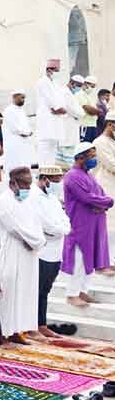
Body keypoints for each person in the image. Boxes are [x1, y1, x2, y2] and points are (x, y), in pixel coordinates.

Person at [0, 167, 45, 343]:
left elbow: (38, 223)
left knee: (25, 292)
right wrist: (32, 240)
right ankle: (2, 333)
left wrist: (37, 241)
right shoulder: (2, 200)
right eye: (24, 184)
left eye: (29, 184)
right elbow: (14, 227)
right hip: (11, 251)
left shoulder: (29, 201)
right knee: (8, 291)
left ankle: (18, 331)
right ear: (12, 183)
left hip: (29, 252)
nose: (27, 188)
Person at [62, 143, 115, 307]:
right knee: (79, 258)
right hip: (80, 223)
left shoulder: (89, 175)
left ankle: (83, 291)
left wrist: (104, 202)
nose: (94, 159)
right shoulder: (72, 176)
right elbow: (87, 197)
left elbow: (100, 194)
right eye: (91, 156)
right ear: (80, 158)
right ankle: (72, 294)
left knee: (89, 258)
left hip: (94, 222)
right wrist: (108, 201)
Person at [30, 165, 70, 339]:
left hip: (55, 250)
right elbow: (45, 224)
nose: (58, 184)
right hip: (41, 251)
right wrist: (59, 229)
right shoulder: (33, 197)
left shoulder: (52, 198)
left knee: (45, 289)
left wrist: (62, 229)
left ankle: (42, 324)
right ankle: (33, 325)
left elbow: (65, 220)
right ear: (45, 178)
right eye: (55, 181)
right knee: (37, 290)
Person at [92, 110, 115, 263]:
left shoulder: (112, 140)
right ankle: (106, 260)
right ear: (110, 124)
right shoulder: (100, 142)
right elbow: (112, 165)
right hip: (105, 184)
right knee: (109, 224)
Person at [35, 59, 68, 166]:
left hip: (55, 119)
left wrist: (62, 108)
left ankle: (51, 170)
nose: (57, 73)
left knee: (53, 146)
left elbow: (61, 98)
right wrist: (57, 108)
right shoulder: (42, 82)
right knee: (45, 145)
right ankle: (43, 171)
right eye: (56, 70)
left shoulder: (55, 83)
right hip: (47, 117)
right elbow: (50, 100)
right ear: (49, 69)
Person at [1, 88, 33, 171]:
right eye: (22, 97)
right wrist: (26, 132)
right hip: (14, 142)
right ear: (15, 97)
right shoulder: (9, 110)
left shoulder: (22, 111)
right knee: (14, 165)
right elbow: (14, 128)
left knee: (24, 163)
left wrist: (29, 131)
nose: (23, 100)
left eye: (24, 98)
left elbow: (26, 125)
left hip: (24, 143)